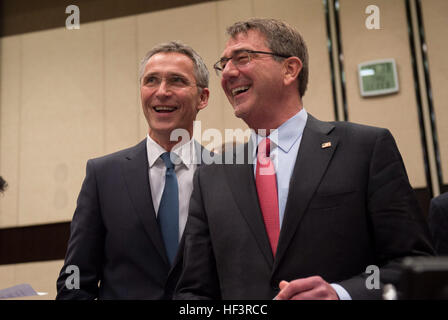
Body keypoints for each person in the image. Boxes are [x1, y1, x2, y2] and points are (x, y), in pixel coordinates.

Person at [174, 18, 435, 300]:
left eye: (242, 58)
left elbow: (412, 267)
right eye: (223, 64)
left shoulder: (365, 149)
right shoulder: (212, 174)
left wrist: (341, 294)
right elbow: (194, 291)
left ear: (290, 69)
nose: (227, 73)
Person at [56, 41, 210, 299]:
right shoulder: (103, 176)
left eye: (176, 81)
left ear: (202, 98)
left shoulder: (224, 175)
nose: (162, 91)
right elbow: (75, 279)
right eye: (151, 81)